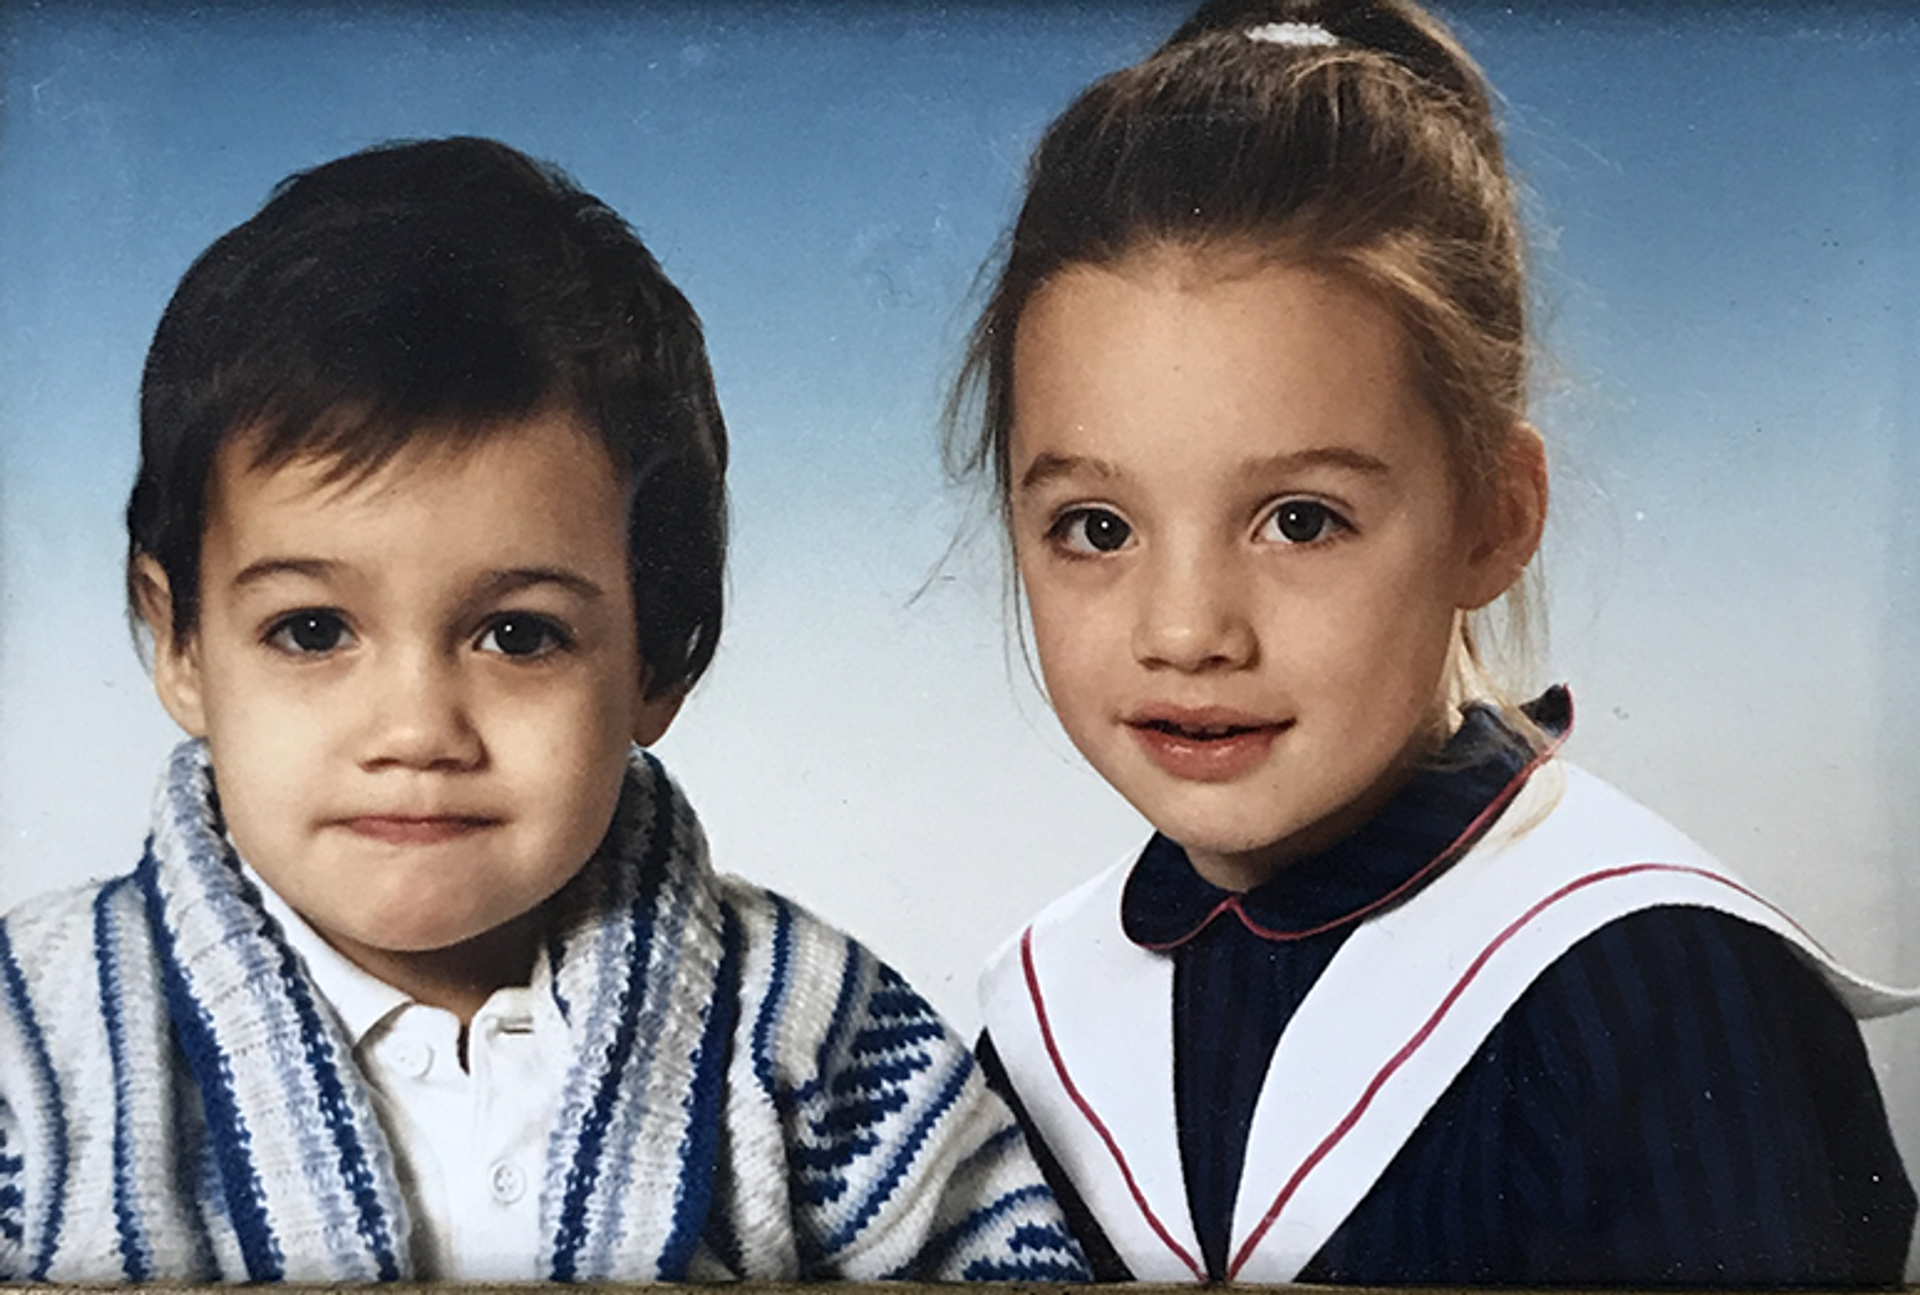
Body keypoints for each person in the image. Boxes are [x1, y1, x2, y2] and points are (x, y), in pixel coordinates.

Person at [0, 136, 1088, 1285]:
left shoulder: (807, 1029)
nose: (416, 729)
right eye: (313, 629)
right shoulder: (36, 1050)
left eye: (518, 633)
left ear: (658, 658)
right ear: (177, 639)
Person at [954, 1, 1918, 1284]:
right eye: (1095, 524)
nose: (1185, 630)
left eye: (1300, 519)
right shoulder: (1040, 1022)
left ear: (1492, 515)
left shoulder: (1655, 989)